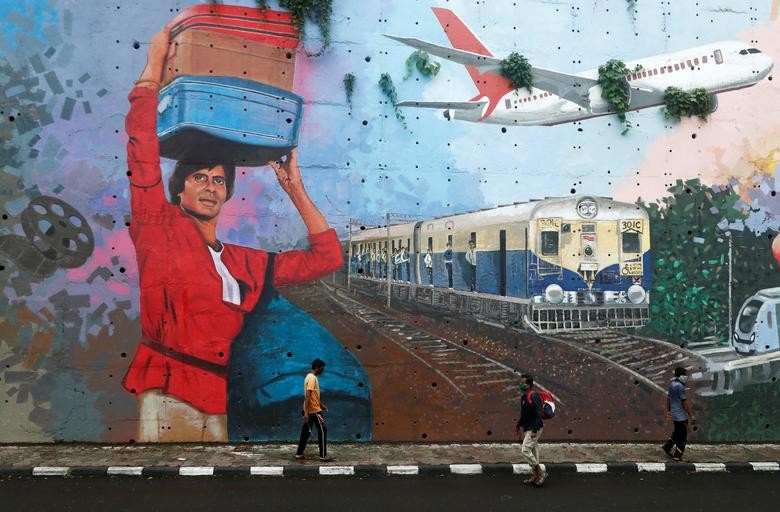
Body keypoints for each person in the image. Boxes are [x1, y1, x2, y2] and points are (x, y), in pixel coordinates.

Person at [122, 26, 342, 442]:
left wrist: (294, 188)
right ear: (180, 188)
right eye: (200, 178)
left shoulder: (245, 263)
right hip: (167, 389)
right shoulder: (158, 229)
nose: (209, 187)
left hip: (215, 396)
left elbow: (326, 258)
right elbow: (141, 147)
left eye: (219, 181)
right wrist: (152, 70)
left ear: (227, 193)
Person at [295, 359, 334, 461]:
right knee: (322, 430)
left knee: (305, 432)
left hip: (313, 409)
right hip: (313, 410)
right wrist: (307, 412)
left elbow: (313, 396)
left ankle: (299, 453)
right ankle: (323, 455)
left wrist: (321, 405)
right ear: (317, 367)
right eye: (322, 368)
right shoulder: (312, 378)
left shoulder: (310, 377)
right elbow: (308, 395)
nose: (322, 370)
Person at [515, 374, 545, 486]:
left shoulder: (534, 395)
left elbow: (539, 413)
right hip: (528, 427)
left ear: (528, 384)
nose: (520, 384)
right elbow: (524, 414)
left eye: (523, 383)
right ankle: (535, 475)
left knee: (525, 450)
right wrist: (519, 425)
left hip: (534, 427)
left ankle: (540, 473)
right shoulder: (524, 396)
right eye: (520, 382)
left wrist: (534, 429)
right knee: (533, 451)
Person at [662, 366, 696, 461]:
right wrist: (691, 416)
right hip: (681, 416)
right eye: (685, 375)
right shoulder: (680, 387)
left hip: (675, 415)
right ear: (681, 376)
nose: (686, 377)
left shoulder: (672, 384)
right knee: (682, 437)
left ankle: (667, 447)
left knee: (677, 433)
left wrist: (669, 411)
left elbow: (668, 398)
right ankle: (677, 456)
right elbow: (684, 403)